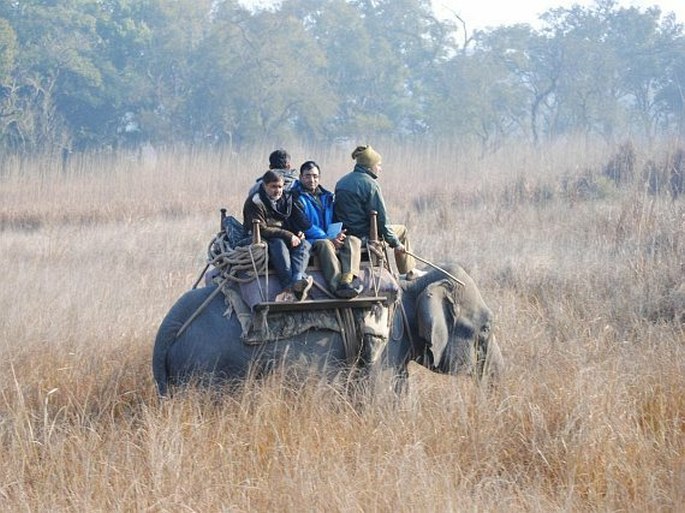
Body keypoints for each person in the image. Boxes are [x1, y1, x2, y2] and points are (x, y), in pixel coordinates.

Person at [334, 144, 422, 298]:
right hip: (366, 235)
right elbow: (383, 221)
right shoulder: (371, 185)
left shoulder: (341, 182)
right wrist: (396, 243)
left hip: (346, 233)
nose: (380, 169)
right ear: (369, 166)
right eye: (378, 165)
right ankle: (410, 271)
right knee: (402, 230)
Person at [243, 170, 314, 302]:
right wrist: (288, 235)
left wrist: (297, 232)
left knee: (305, 244)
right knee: (278, 244)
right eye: (273, 187)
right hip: (264, 238)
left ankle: (298, 279)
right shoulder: (255, 202)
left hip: (286, 236)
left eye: (280, 187)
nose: (278, 191)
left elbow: (293, 221)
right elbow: (261, 229)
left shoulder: (286, 199)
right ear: (265, 186)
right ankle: (287, 287)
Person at [291, 160, 347, 294]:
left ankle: (349, 279)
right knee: (324, 244)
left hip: (328, 236)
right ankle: (336, 286)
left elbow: (334, 219)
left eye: (315, 176)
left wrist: (338, 234)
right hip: (309, 239)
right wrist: (328, 238)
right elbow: (305, 225)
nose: (312, 180)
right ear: (300, 177)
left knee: (352, 241)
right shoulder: (295, 197)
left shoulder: (327, 196)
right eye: (308, 176)